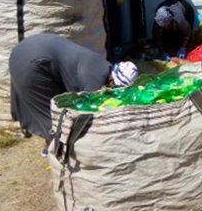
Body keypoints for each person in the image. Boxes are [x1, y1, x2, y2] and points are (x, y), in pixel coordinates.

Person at [9, 34, 138, 153]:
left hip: (24, 50)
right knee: (54, 112)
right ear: (113, 80)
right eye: (116, 87)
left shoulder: (101, 63)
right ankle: (55, 148)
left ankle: (51, 143)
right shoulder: (95, 79)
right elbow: (90, 112)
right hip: (33, 63)